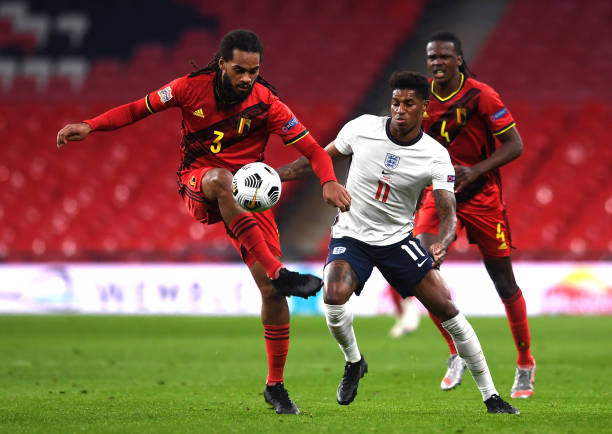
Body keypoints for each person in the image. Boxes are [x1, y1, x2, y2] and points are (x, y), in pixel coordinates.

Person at [56, 29, 351, 415]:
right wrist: (91, 125)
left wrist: (328, 180)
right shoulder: (188, 88)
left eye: (254, 71)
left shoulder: (267, 103)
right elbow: (136, 109)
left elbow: (314, 150)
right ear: (222, 63)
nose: (247, 78)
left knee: (272, 293)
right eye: (240, 70)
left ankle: (275, 385)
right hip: (200, 183)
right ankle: (279, 270)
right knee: (221, 180)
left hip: (249, 195)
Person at [277, 71, 519, 414]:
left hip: (397, 241)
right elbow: (318, 159)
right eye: (395, 103)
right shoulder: (361, 128)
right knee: (333, 295)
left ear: (424, 108)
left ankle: (491, 397)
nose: (400, 110)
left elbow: (448, 210)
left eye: (409, 104)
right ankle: (354, 362)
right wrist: (275, 175)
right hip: (352, 235)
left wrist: (444, 240)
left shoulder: (435, 155)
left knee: (447, 309)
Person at [417, 31, 535, 398]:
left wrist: (476, 170)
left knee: (504, 282)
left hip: (482, 196)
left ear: (458, 60)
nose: (437, 62)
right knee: (420, 271)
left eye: (444, 57)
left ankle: (525, 363)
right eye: (432, 57)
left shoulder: (481, 96)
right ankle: (456, 352)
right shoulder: (420, 98)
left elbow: (515, 144)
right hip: (438, 194)